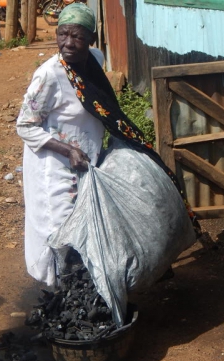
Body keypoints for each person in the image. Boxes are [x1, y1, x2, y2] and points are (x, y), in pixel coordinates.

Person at [16, 3, 200, 287]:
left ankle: (91, 284)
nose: (68, 43)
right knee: (61, 227)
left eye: (76, 37)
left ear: (91, 38)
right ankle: (62, 290)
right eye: (62, 34)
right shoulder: (49, 75)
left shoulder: (94, 61)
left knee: (89, 221)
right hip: (54, 165)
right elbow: (25, 125)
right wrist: (68, 150)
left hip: (87, 159)